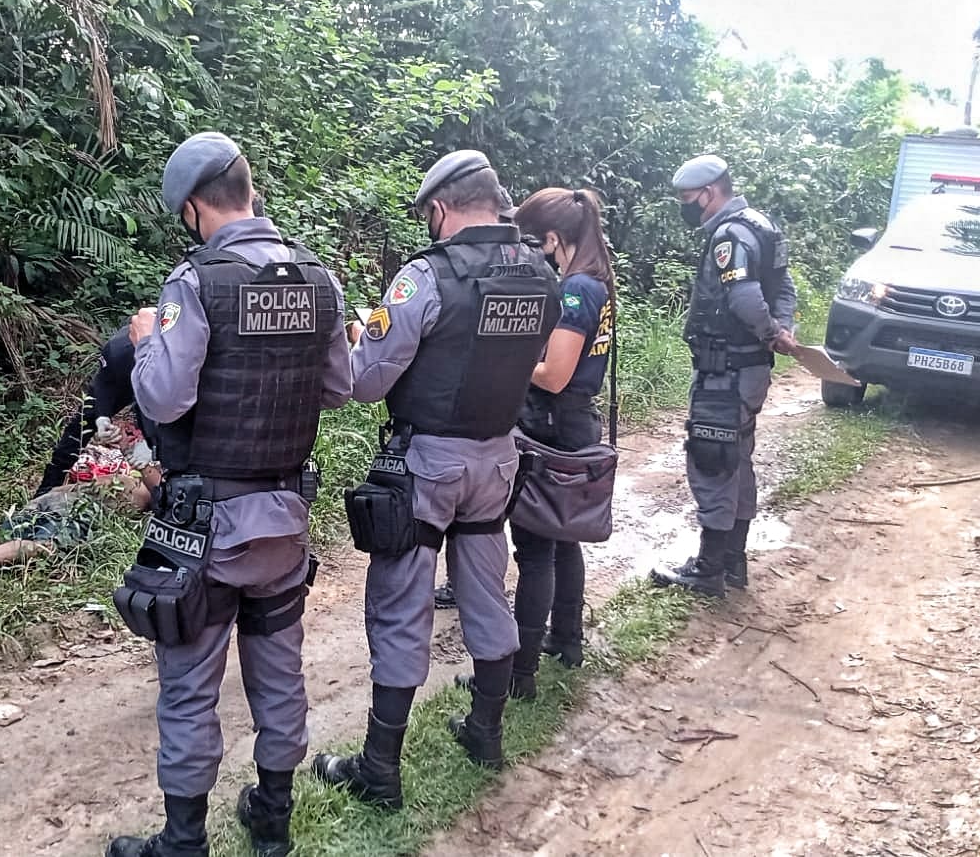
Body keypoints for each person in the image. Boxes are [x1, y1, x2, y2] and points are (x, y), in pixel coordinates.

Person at [106, 132, 352, 857]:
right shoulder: (318, 278)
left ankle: (183, 843)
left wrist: (150, 337)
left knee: (188, 685)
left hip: (204, 529)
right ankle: (272, 820)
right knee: (278, 670)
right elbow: (339, 388)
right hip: (283, 520)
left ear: (191, 209)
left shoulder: (196, 282)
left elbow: (163, 393)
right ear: (250, 192)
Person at [311, 150, 559, 807]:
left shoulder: (424, 278)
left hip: (428, 465)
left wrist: (363, 335)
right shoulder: (540, 272)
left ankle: (379, 771)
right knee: (485, 593)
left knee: (399, 607)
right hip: (499, 458)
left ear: (441, 209)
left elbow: (367, 381)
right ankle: (485, 731)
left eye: (427, 214)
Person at [650, 155, 798, 597]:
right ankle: (733, 562)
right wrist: (782, 330)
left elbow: (745, 298)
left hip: (726, 370)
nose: (686, 207)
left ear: (709, 193)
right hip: (749, 370)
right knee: (738, 458)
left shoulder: (729, 235)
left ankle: (709, 569)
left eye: (688, 199)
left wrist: (772, 331)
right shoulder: (763, 224)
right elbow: (784, 285)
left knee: (713, 458)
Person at [505, 188, 617, 683]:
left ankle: (520, 670)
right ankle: (566, 639)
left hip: (552, 426)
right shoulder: (596, 282)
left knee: (535, 549)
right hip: (575, 423)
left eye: (537, 243)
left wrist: (507, 359)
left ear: (554, 239)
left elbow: (553, 375)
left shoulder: (575, 291)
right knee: (564, 538)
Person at [33, 328, 142, 497]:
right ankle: (46, 490)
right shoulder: (118, 349)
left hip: (172, 385)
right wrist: (102, 416)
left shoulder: (182, 353)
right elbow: (104, 383)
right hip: (123, 378)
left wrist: (153, 440)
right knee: (81, 424)